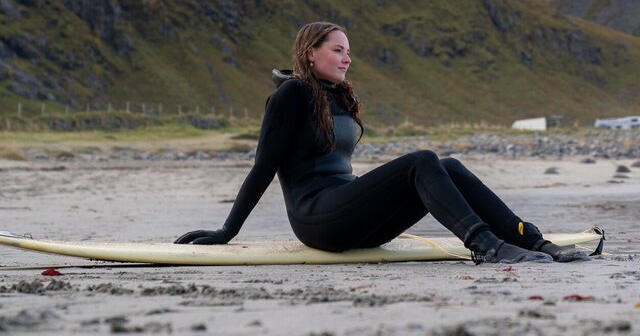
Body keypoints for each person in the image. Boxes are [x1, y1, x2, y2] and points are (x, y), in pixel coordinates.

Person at [175, 21, 589, 264]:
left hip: (350, 210)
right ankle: (486, 247)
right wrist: (226, 232)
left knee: (448, 166)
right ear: (310, 52)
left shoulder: (336, 95)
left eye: (348, 51)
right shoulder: (291, 94)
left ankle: (533, 242)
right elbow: (263, 167)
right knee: (421, 160)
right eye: (337, 50)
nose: (347, 58)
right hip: (318, 218)